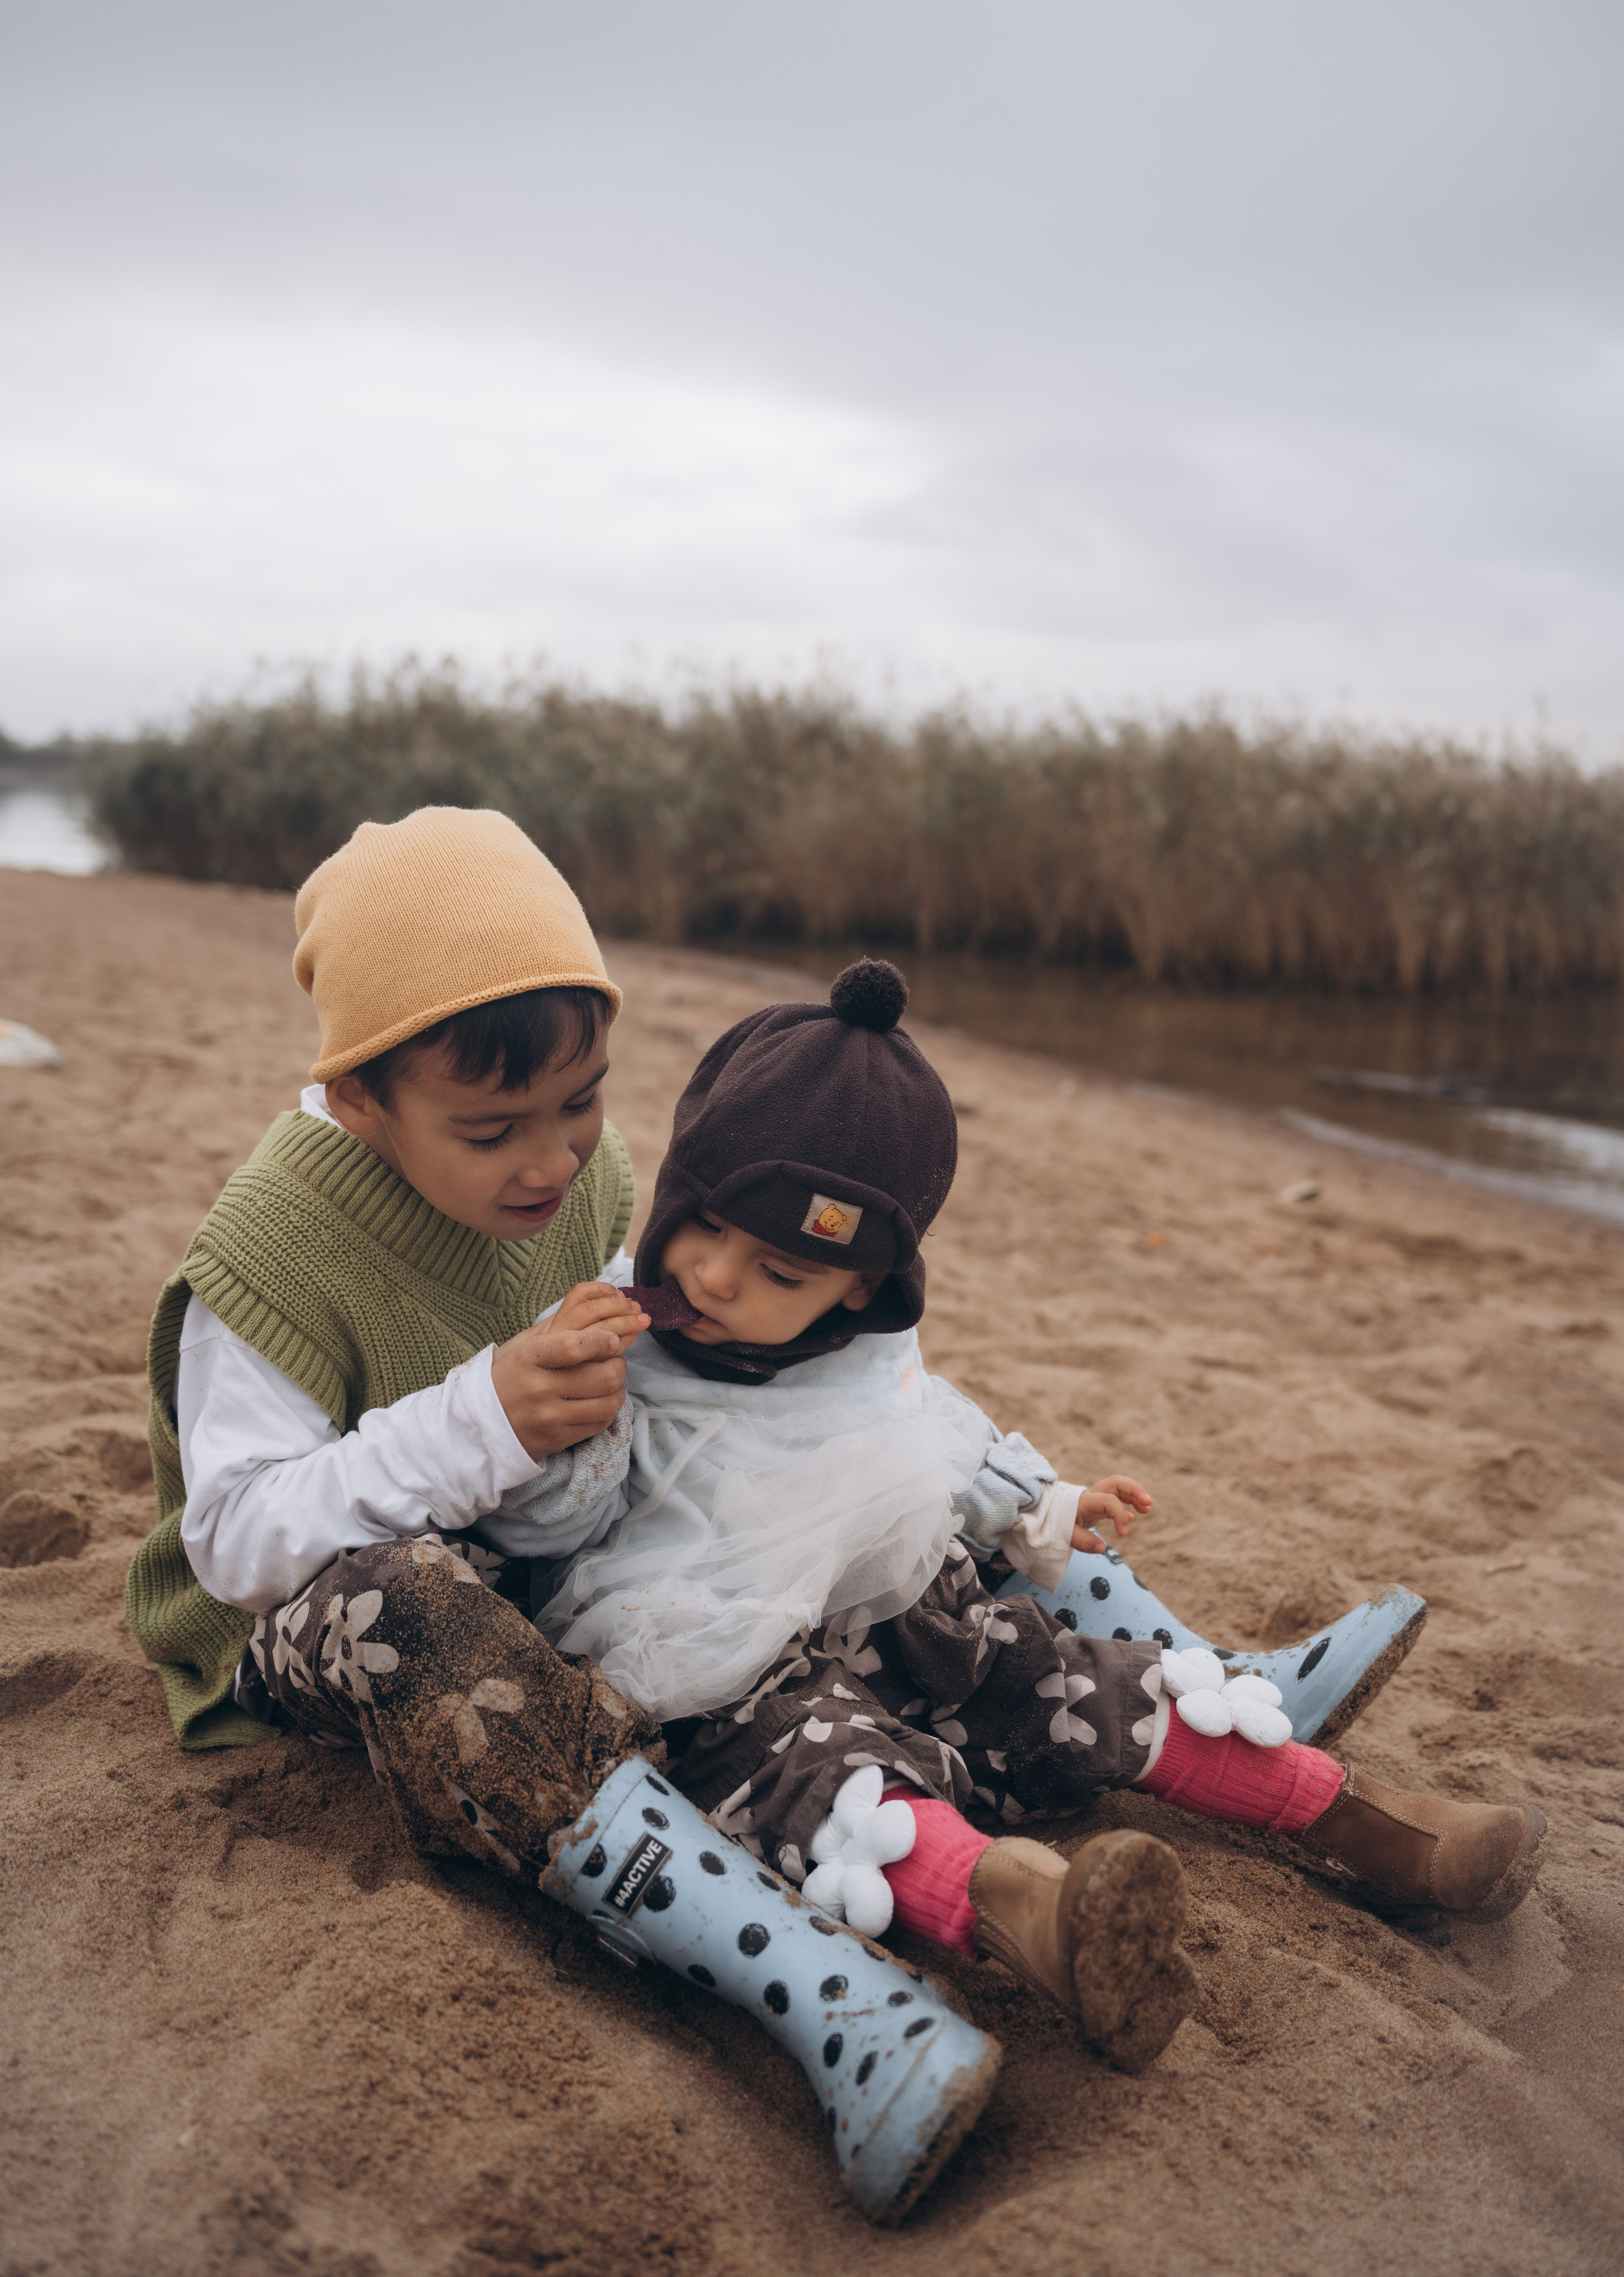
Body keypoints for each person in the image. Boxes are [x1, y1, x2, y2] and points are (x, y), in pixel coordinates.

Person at [126, 808, 1011, 2225]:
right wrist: (483, 1416)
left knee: (808, 1464)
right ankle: (815, 1987)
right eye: (491, 1129)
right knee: (402, 1594)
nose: (549, 1161)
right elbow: (237, 1539)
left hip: (530, 1544)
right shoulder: (268, 1257)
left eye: (583, 1102)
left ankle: (1157, 1680)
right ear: (359, 1098)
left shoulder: (566, 1176)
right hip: (313, 1619)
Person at [518, 957, 1548, 2077]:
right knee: (845, 1797)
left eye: (775, 1268)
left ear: (855, 1293)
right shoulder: (622, 1344)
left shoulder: (863, 1356)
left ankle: (1356, 1820)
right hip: (726, 1669)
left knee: (1076, 1679)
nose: (713, 1278)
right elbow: (549, 1530)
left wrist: (1045, 1504)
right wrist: (571, 1423)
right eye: (701, 1227)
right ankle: (1037, 1913)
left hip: (902, 1622)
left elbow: (932, 1436)